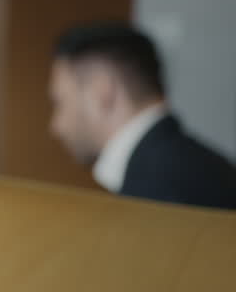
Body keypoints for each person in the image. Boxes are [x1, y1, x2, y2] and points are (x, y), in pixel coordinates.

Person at [49, 22, 236, 209]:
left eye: (60, 103)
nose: (56, 126)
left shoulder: (157, 185)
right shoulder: (198, 166)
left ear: (102, 92)